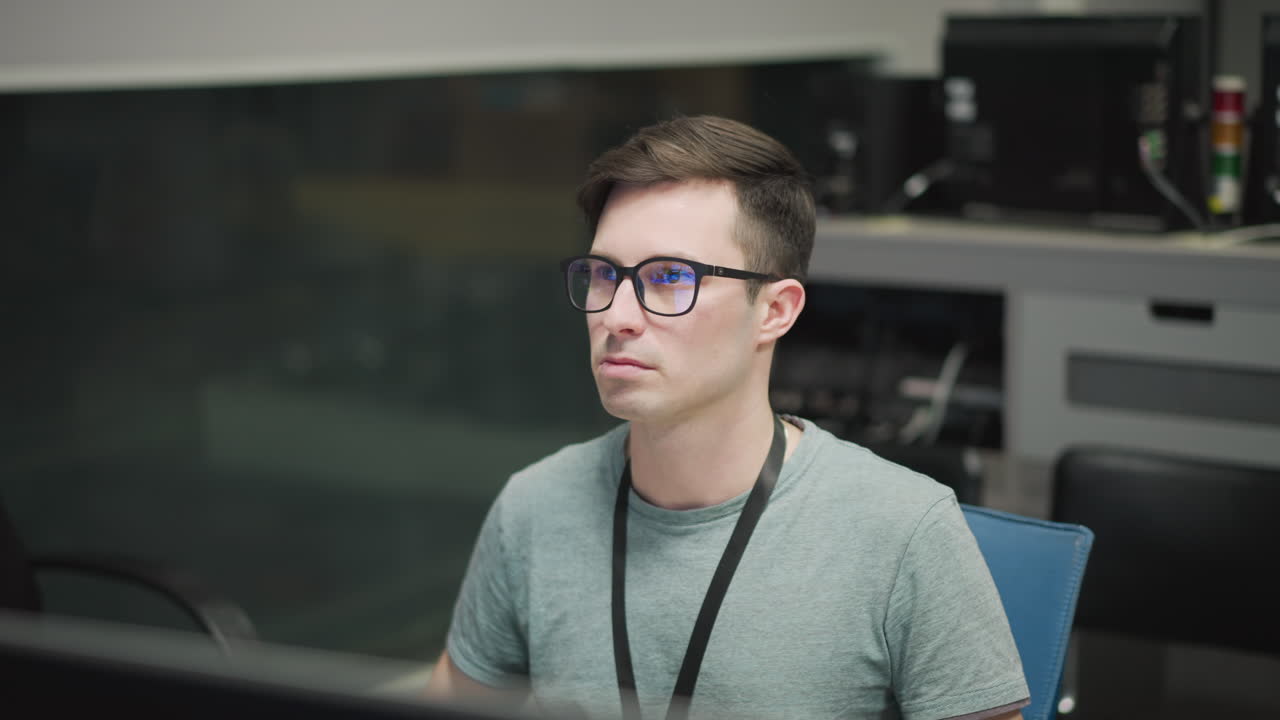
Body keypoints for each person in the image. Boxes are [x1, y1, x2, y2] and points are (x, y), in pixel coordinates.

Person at [427, 115, 1029, 720]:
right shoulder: (533, 508)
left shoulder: (903, 532)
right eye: (605, 274)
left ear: (774, 311)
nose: (618, 316)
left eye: (669, 277)